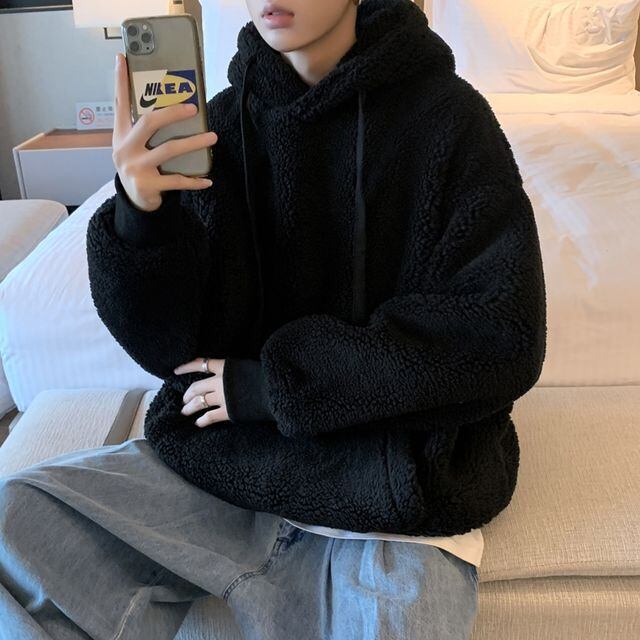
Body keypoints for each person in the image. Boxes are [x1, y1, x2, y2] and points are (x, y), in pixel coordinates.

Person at [0, 0, 547, 638]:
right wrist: (140, 216)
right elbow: (171, 348)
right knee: (15, 524)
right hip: (227, 468)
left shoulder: (450, 120)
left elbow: (499, 335)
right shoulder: (216, 130)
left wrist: (275, 385)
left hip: (392, 487)